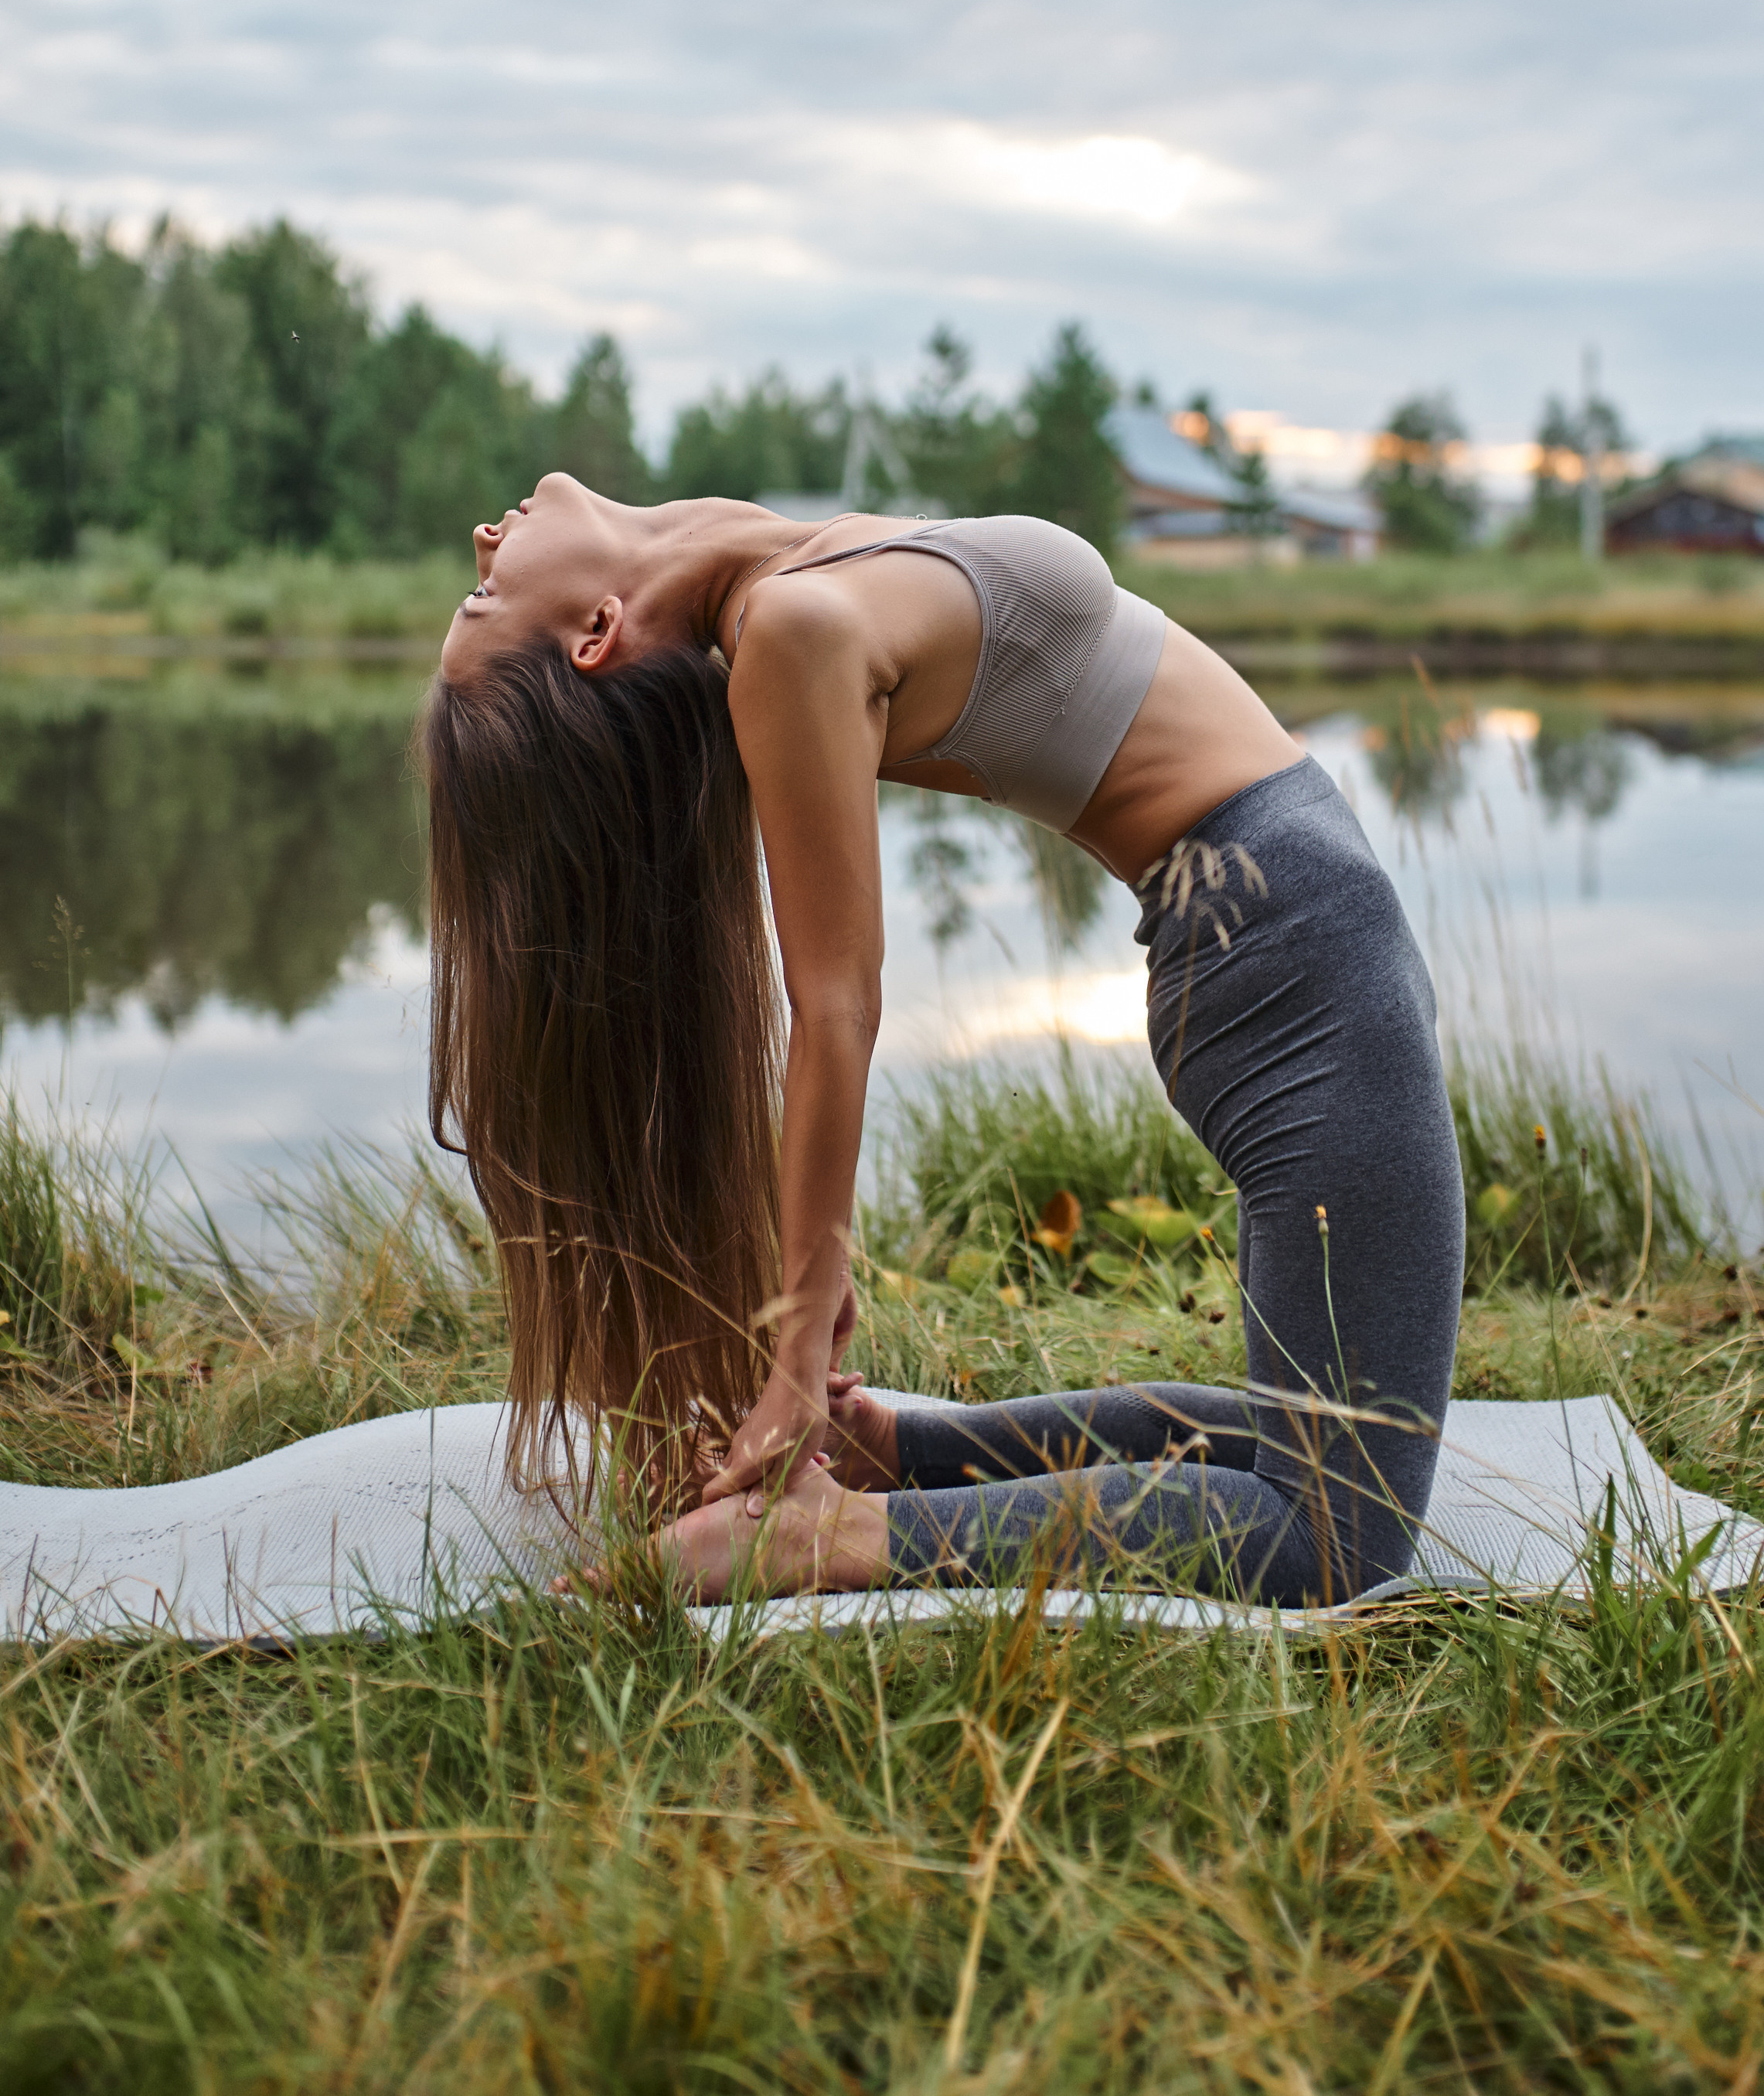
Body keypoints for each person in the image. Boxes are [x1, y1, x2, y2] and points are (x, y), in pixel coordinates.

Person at [421, 474, 1464, 1607]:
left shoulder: (781, 574)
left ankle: (895, 1458)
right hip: (1299, 961)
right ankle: (821, 1538)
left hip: (1285, 941)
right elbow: (833, 1007)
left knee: (1298, 1451)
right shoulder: (789, 631)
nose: (485, 534)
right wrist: (796, 1331)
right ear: (594, 632)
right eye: (483, 593)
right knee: (1334, 1539)